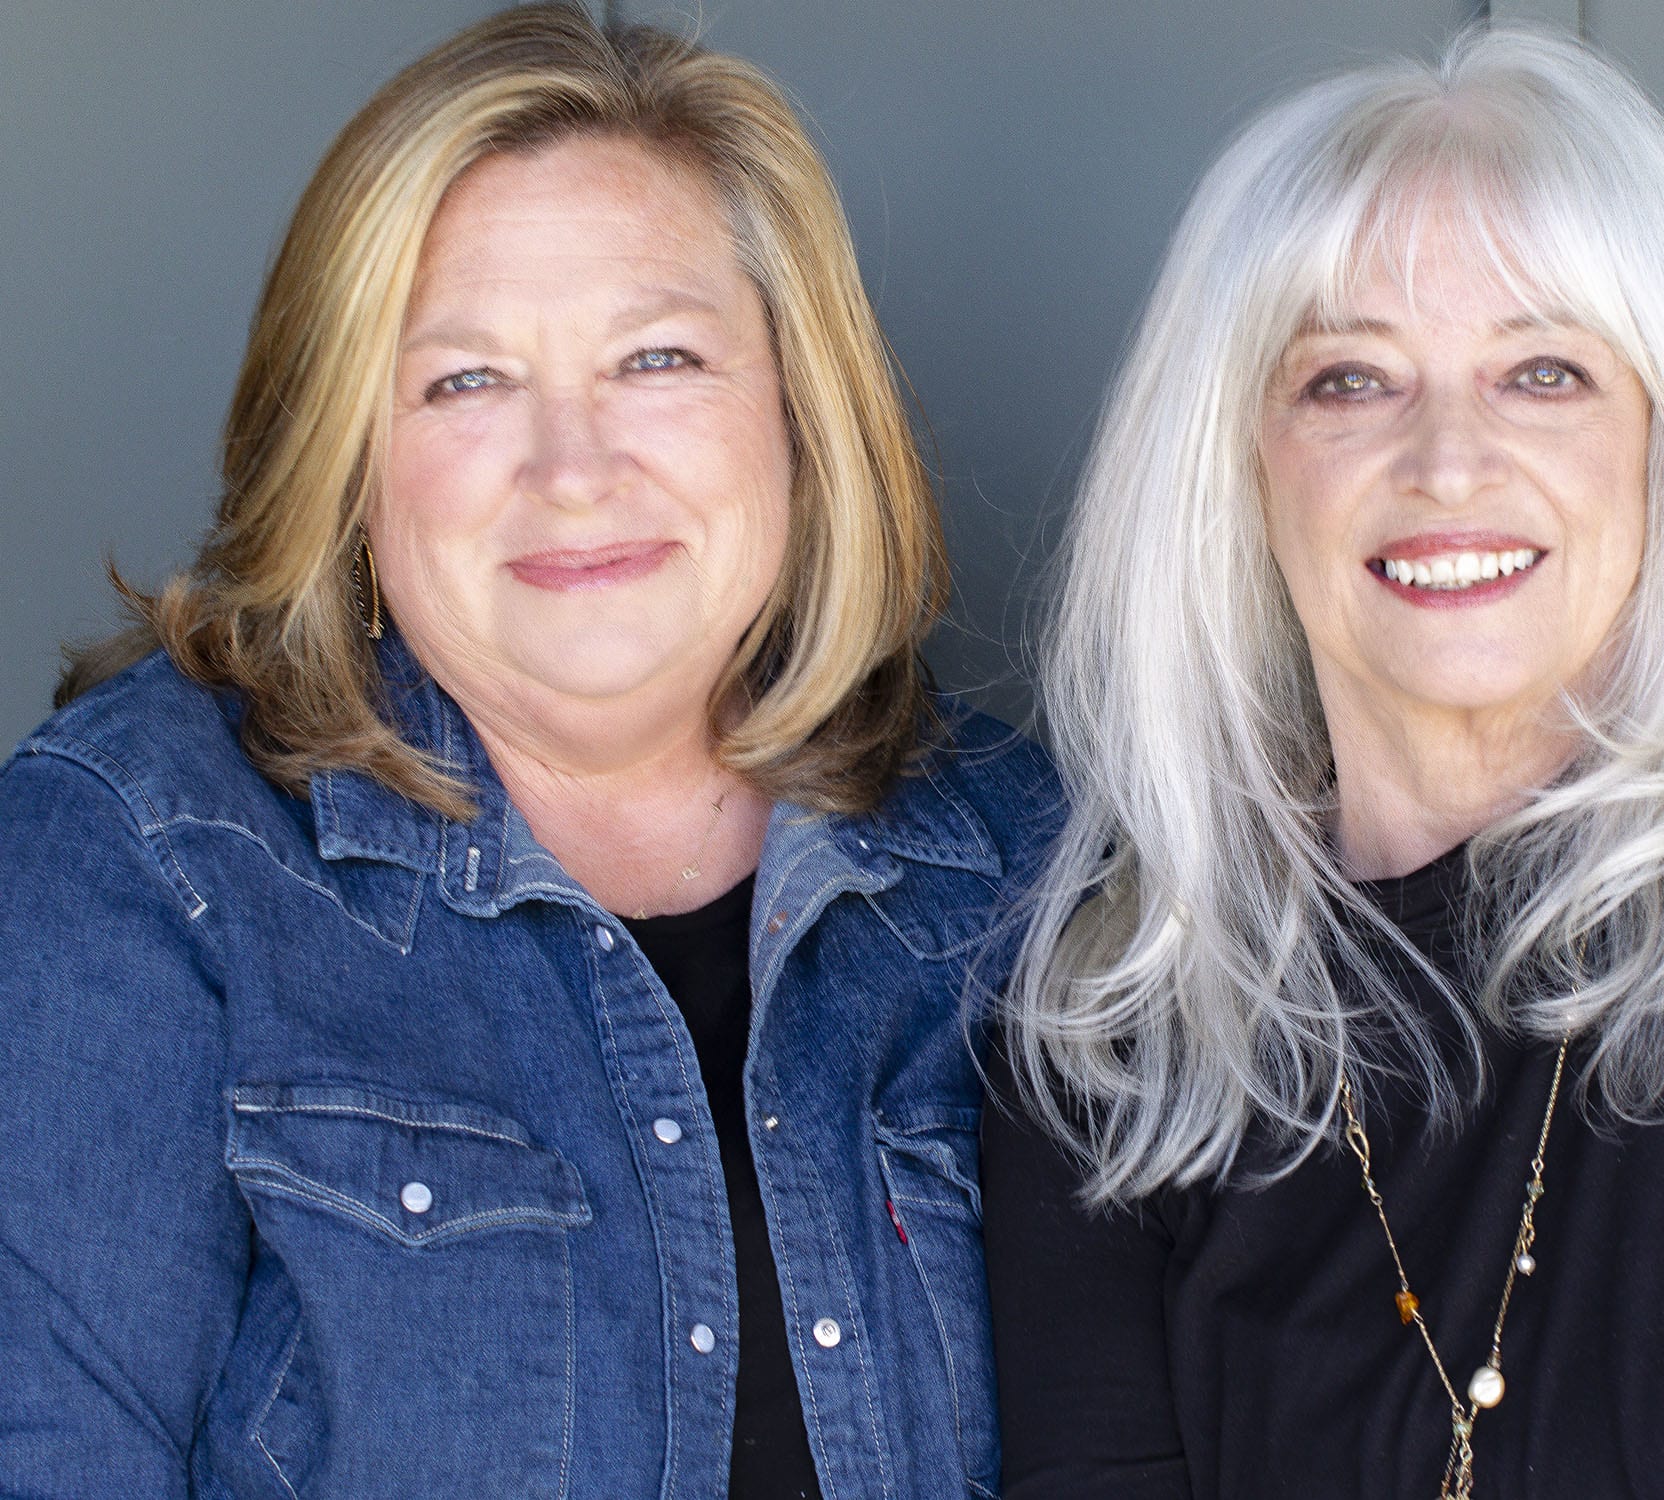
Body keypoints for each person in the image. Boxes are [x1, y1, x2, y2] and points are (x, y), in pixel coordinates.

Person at [984, 24, 1664, 1500]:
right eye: (1347, 381)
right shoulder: (1110, 1024)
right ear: (1236, 466)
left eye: (1545, 372)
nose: (1449, 460)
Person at [0, 7, 1056, 1497]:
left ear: (801, 416)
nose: (574, 468)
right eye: (467, 381)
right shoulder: (144, 859)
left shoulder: (1019, 862)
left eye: (659, 357)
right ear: (348, 464)